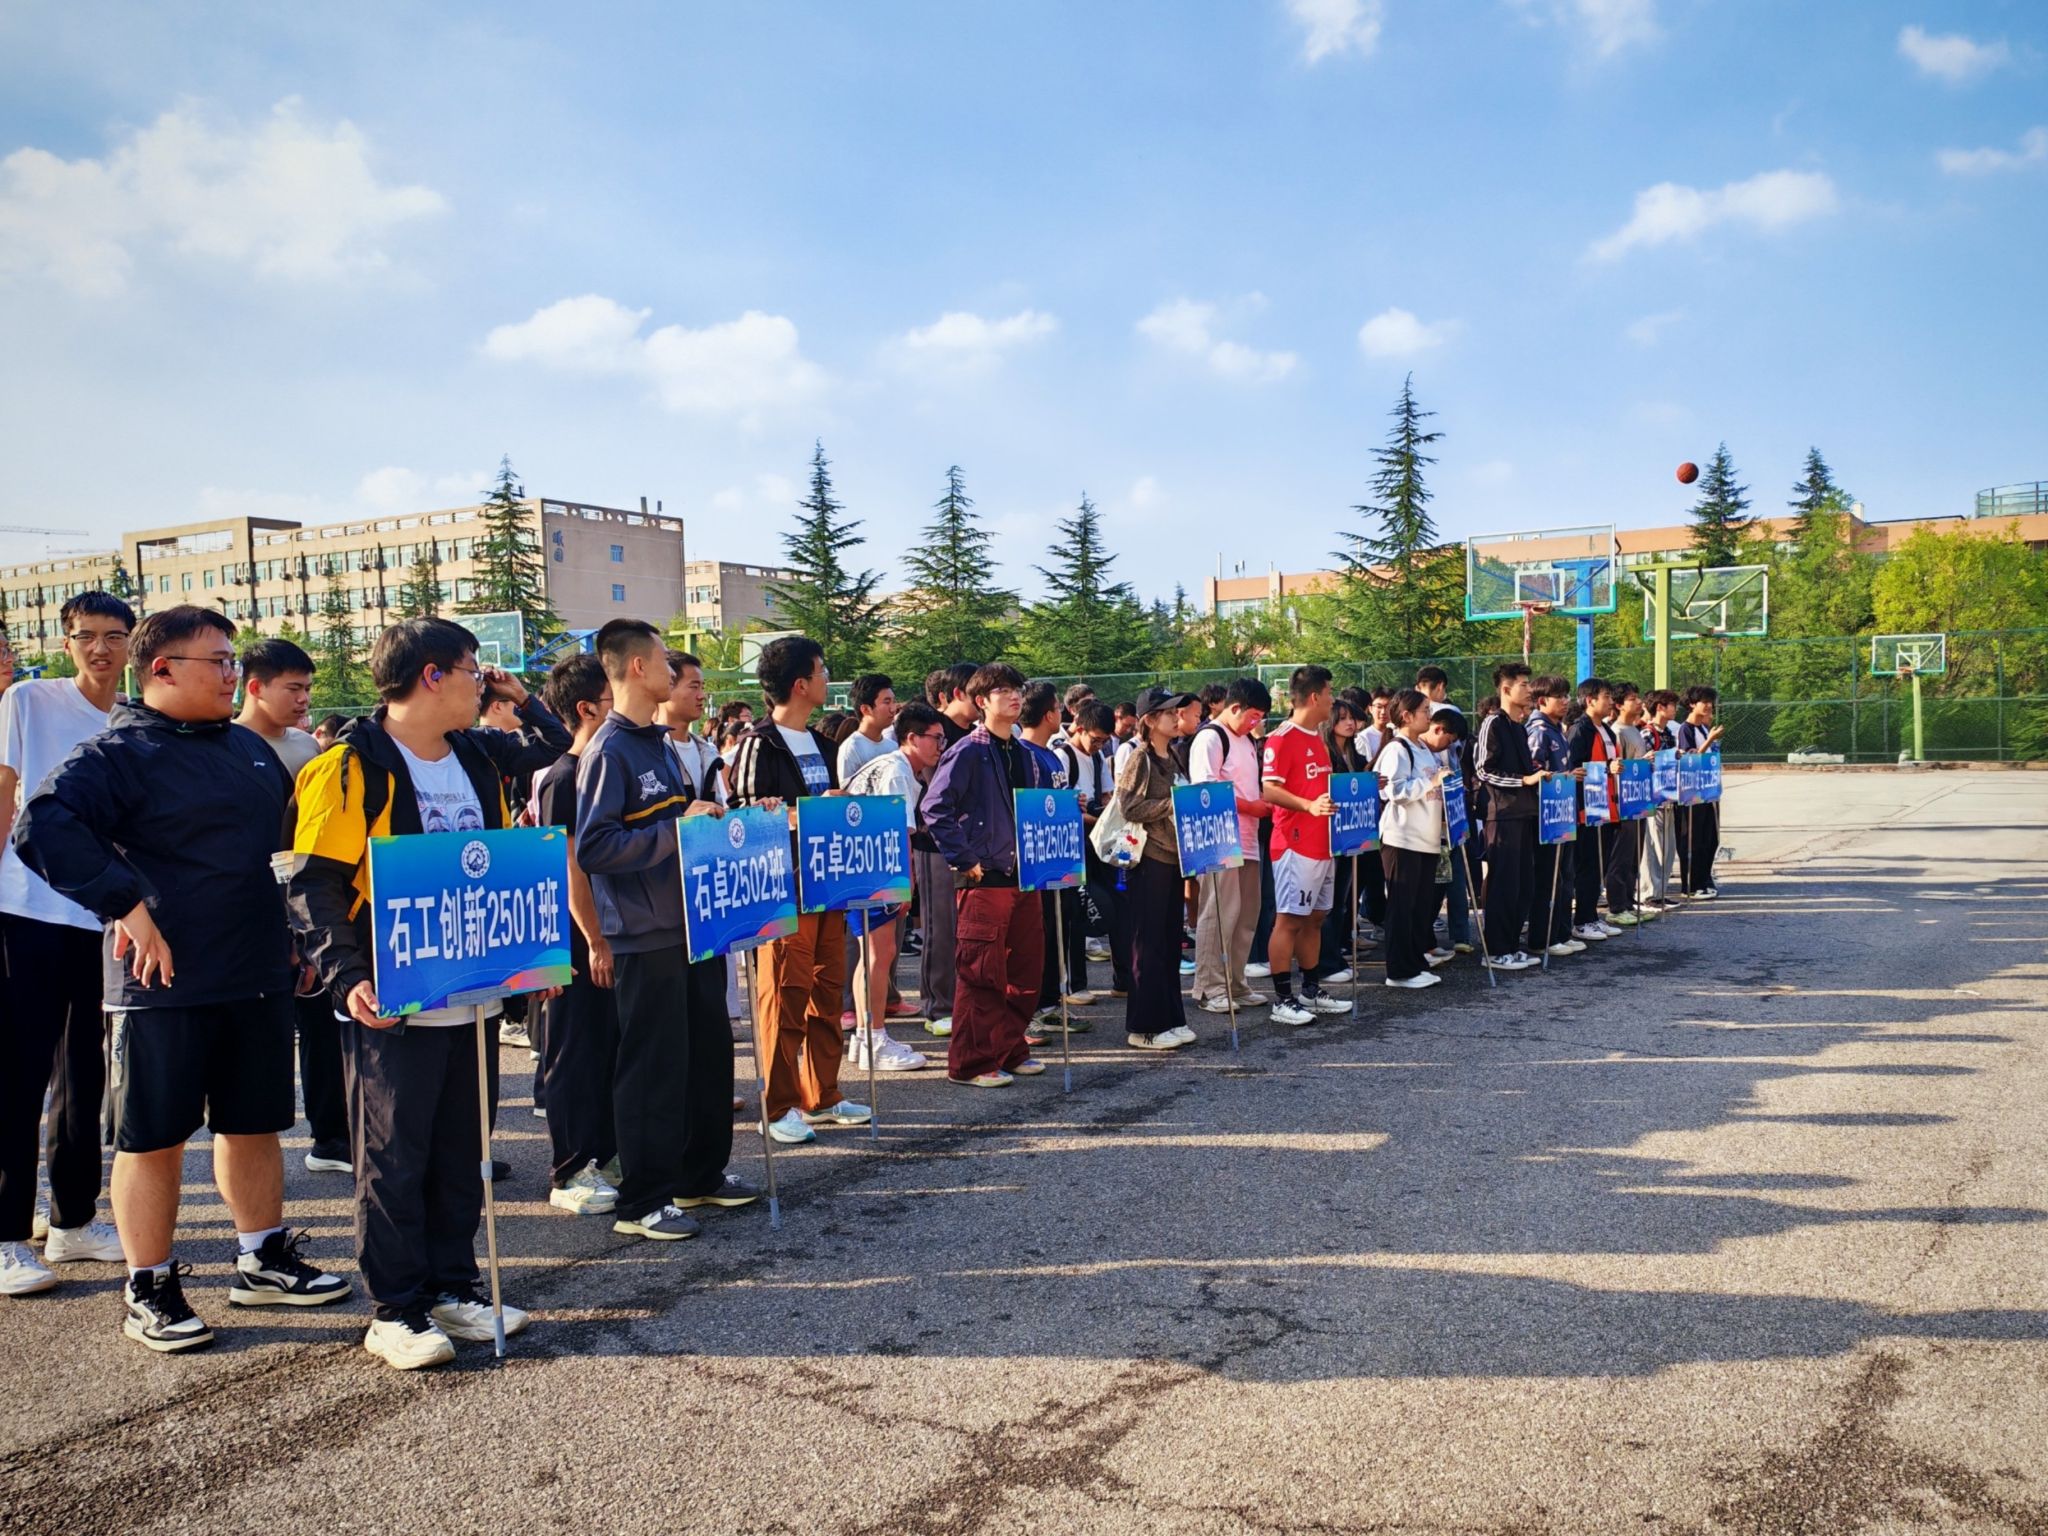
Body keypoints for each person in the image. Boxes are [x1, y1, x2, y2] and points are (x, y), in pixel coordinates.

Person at [21, 605, 350, 1349]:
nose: (234, 674)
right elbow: (41, 825)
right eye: (219, 661)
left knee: (254, 1123)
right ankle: (151, 1285)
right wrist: (125, 905)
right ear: (162, 669)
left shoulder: (249, 749)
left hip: (255, 969)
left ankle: (262, 1258)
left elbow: (277, 859)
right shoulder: (118, 753)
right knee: (154, 1137)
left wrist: (298, 940)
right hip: (160, 984)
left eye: (234, 660)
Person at [288, 616, 567, 1368]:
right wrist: (347, 975)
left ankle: (453, 1285)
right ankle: (396, 1308)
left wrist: (521, 696)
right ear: (433, 675)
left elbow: (557, 752)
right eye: (475, 670)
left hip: (474, 990)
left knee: (461, 1149)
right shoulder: (351, 766)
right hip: (396, 993)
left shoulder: (476, 753)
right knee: (394, 1155)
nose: (485, 684)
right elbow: (313, 884)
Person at [575, 622, 757, 1242]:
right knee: (653, 1066)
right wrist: (677, 830)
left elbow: (674, 824)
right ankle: (643, 1200)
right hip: (644, 932)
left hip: (692, 923)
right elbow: (596, 847)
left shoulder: (658, 744)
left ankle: (699, 1174)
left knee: (706, 1053)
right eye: (662, 661)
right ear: (635, 668)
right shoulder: (609, 750)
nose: (673, 673)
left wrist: (710, 819)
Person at [0, 592, 135, 1295]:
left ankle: (73, 1221)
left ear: (132, 643)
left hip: (102, 918)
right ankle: (5, 1235)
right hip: (25, 910)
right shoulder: (29, 700)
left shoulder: (134, 720)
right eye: (86, 636)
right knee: (18, 1071)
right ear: (66, 642)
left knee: (86, 1074)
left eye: (114, 636)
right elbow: (4, 792)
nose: (100, 649)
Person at [728, 636, 870, 1142]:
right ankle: (778, 1104)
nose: (828, 678)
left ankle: (823, 1094)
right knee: (785, 996)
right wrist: (803, 813)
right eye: (822, 670)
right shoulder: (758, 744)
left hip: (827, 885)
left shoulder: (823, 743)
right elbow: (744, 818)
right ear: (800, 684)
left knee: (827, 992)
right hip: (784, 890)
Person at [234, 638, 349, 1175]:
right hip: (248, 914)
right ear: (255, 687)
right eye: (293, 688)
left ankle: (331, 1139)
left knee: (323, 1028)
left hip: (305, 907)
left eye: (307, 688)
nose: (304, 699)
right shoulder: (226, 744)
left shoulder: (307, 747)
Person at [920, 664, 1051, 1087]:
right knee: (981, 974)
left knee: (1025, 971)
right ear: (981, 701)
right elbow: (934, 808)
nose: (1014, 696)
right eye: (1003, 690)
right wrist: (964, 858)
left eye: (1018, 689)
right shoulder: (967, 751)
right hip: (984, 877)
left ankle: (1010, 1049)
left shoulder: (1026, 753)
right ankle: (971, 1063)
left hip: (1023, 875)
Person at [530, 653, 621, 1216]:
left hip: (610, 933)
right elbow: (570, 869)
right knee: (572, 1053)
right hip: (574, 940)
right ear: (587, 709)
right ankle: (568, 1170)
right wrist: (595, 940)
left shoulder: (605, 767)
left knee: (608, 1047)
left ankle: (605, 1155)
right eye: (613, 699)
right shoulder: (564, 777)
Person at [844, 702, 949, 1072]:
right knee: (879, 953)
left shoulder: (894, 766)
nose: (941, 746)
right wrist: (905, 884)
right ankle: (874, 1038)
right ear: (912, 738)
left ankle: (865, 1037)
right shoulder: (896, 770)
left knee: (873, 954)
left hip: (861, 865)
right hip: (872, 867)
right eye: (936, 738)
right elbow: (897, 831)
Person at [1259, 665, 1352, 1025]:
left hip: (1323, 843)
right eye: (1329, 693)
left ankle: (1311, 991)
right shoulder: (1282, 738)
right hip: (1294, 845)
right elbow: (1269, 790)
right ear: (1314, 697)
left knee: (1315, 918)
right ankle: (1282, 1000)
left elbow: (1318, 787)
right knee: (1289, 920)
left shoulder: (1317, 737)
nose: (1333, 700)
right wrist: (1308, 806)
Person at [1114, 688, 1196, 1051]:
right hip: (1148, 859)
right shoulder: (1140, 757)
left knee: (1168, 944)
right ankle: (1143, 1027)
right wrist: (1170, 804)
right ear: (1149, 720)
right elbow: (1128, 806)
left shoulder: (1173, 754)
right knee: (1147, 945)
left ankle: (1171, 1018)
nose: (1176, 718)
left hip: (1174, 858)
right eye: (1168, 713)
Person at [1190, 677, 1272, 1014]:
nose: (1256, 724)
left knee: (1246, 915)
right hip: (1219, 839)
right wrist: (1250, 806)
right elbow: (1204, 791)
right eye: (1254, 716)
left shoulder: (1246, 740)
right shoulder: (1211, 737)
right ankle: (1209, 987)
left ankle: (1235, 982)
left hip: (1248, 839)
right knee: (1219, 914)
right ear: (1235, 707)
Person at [1020, 682, 1091, 1023]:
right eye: (1057, 709)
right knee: (1038, 934)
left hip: (1061, 855)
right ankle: (1033, 1007)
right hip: (1036, 862)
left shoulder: (1051, 753)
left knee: (1059, 929)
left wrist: (1073, 803)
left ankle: (1050, 1002)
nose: (1062, 714)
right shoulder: (1022, 754)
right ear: (1048, 714)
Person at [1473, 662, 1546, 972]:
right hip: (1501, 816)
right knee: (1503, 884)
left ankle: (1512, 946)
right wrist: (1523, 781)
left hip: (1524, 813)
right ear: (1506, 689)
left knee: (1522, 884)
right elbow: (1483, 770)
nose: (1529, 690)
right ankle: (1496, 950)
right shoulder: (1493, 723)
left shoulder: (1519, 725)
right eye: (1523, 684)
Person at [1375, 690, 1450, 989]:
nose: (1429, 715)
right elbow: (1392, 791)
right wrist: (1431, 781)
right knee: (1401, 906)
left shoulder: (1422, 748)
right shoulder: (1397, 749)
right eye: (1424, 710)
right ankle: (1398, 971)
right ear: (1406, 716)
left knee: (1420, 906)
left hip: (1426, 838)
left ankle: (1415, 962)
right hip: (1402, 838)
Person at [1567, 677, 1631, 935]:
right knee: (1586, 866)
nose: (1610, 701)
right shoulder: (1579, 729)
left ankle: (1592, 916)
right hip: (1586, 809)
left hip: (1604, 807)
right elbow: (1573, 768)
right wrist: (1606, 768)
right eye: (1606, 696)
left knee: (1598, 865)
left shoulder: (1605, 729)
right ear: (1590, 700)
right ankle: (1582, 921)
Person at [1526, 676, 1584, 958]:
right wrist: (1566, 776)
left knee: (1564, 876)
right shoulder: (1538, 731)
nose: (1565, 701)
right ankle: (1543, 938)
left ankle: (1561, 932)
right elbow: (1534, 772)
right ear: (1542, 701)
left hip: (1562, 812)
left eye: (1566, 696)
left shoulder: (1557, 729)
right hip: (1545, 816)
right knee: (1547, 878)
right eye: (1559, 696)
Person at [1312, 695, 1366, 986]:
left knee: (1343, 901)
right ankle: (1326, 961)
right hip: (1329, 835)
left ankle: (1337, 954)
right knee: (1329, 903)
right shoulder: (1324, 753)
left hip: (1352, 834)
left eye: (1352, 718)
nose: (1349, 723)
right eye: (1343, 718)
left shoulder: (1355, 754)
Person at [1674, 686, 1725, 895]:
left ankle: (1704, 879)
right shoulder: (1685, 729)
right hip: (1691, 793)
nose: (1709, 706)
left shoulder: (1703, 728)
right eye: (1704, 702)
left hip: (1708, 792)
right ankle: (1691, 885)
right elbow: (1690, 758)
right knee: (1692, 840)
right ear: (1692, 704)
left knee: (1710, 839)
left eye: (1710, 702)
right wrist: (1710, 739)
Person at [1610, 682, 1651, 922]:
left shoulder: (1634, 729)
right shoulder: (1617, 732)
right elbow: (1619, 768)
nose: (1638, 702)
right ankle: (1617, 907)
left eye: (1638, 697)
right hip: (1624, 804)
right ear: (1619, 705)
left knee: (1635, 855)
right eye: (1632, 699)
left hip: (1639, 800)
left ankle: (1629, 901)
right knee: (1621, 857)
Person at [1639, 689, 1681, 908]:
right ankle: (1650, 893)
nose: (1676, 709)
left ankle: (1661, 890)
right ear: (1660, 707)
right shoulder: (1647, 734)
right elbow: (1643, 762)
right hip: (1653, 798)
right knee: (1654, 847)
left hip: (1668, 796)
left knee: (1667, 848)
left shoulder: (1668, 734)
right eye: (1672, 704)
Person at [837, 673, 898, 783]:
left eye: (894, 701)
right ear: (865, 709)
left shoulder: (893, 747)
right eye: (887, 702)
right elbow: (846, 791)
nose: (893, 709)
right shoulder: (852, 748)